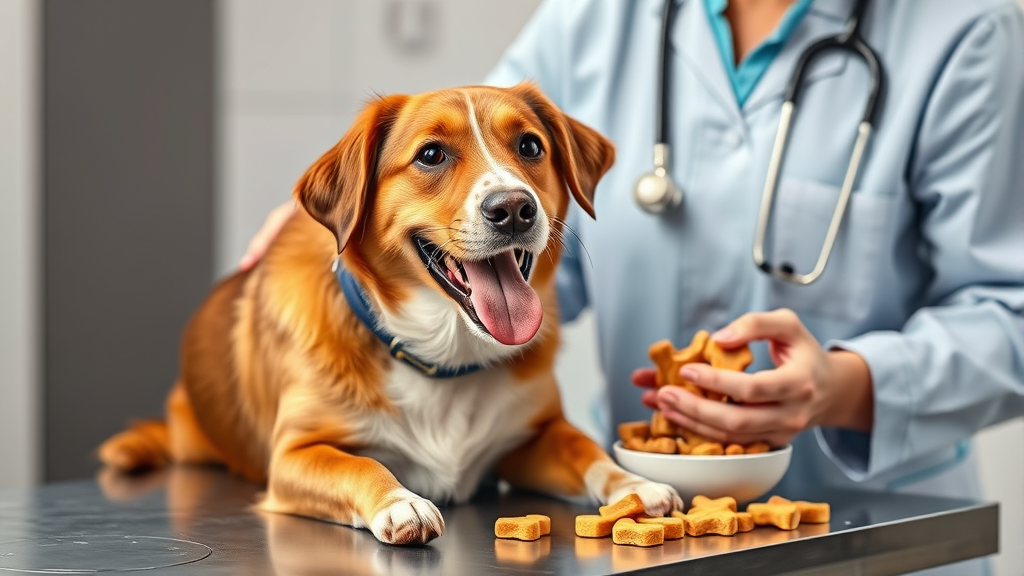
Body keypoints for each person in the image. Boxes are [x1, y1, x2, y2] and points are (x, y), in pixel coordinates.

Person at [241, 1, 1024, 573]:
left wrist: (846, 385)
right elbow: (491, 218)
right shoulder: (591, 21)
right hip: (643, 534)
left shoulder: (963, 31)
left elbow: (1011, 312)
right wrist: (346, 228)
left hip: (880, 537)